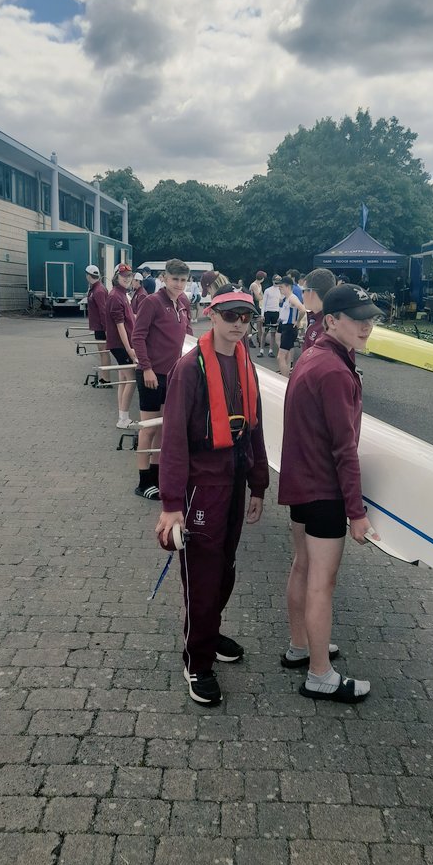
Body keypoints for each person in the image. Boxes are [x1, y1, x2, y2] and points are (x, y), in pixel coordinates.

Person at [156, 284, 269, 706]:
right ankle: (197, 661)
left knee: (225, 567)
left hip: (235, 478)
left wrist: (258, 483)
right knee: (201, 575)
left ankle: (209, 630)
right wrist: (170, 505)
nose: (239, 324)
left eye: (246, 317)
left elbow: (255, 428)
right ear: (210, 314)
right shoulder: (189, 369)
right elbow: (172, 441)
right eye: (231, 315)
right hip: (201, 484)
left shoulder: (247, 364)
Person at [278, 284, 382, 703]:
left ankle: (301, 646)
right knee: (323, 580)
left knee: (302, 567)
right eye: (358, 319)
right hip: (323, 488)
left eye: (370, 318)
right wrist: (356, 513)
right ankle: (320, 674)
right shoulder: (335, 371)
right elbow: (344, 450)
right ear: (332, 320)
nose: (367, 326)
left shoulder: (315, 355)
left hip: (301, 482)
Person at [132, 258, 192, 501]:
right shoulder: (152, 302)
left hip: (172, 374)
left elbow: (185, 338)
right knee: (149, 428)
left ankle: (158, 478)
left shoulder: (183, 303)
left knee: (165, 429)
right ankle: (143, 481)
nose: (178, 284)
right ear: (164, 278)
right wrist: (146, 368)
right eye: (174, 279)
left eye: (183, 280)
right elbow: (138, 337)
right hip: (151, 374)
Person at [105, 263, 137, 428]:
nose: (127, 278)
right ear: (117, 276)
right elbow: (120, 326)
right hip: (120, 345)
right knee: (131, 379)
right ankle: (123, 419)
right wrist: (129, 349)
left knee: (123, 379)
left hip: (120, 344)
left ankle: (122, 416)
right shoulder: (115, 296)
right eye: (124, 276)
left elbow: (128, 320)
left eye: (129, 276)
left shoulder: (121, 294)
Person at [85, 264, 112, 387]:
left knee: (104, 351)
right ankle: (103, 377)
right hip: (98, 326)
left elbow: (103, 311)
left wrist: (106, 329)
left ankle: (106, 379)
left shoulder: (99, 290)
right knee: (102, 352)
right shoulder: (95, 288)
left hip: (101, 327)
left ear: (88, 276)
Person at [301, 268, 336, 353]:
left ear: (311, 292)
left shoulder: (327, 326)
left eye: (303, 291)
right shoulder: (326, 319)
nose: (302, 295)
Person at [276, 276, 305, 377]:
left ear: (288, 286)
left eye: (282, 287)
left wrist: (298, 321)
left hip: (289, 328)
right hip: (285, 326)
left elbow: (302, 309)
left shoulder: (292, 298)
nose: (280, 289)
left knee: (281, 357)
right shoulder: (286, 298)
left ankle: (283, 379)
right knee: (286, 355)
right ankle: (286, 375)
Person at [259, 274, 282, 357]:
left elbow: (281, 305)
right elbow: (263, 303)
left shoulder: (281, 291)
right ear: (273, 280)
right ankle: (261, 350)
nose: (277, 282)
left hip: (276, 312)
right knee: (265, 332)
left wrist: (280, 316)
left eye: (279, 280)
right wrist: (262, 315)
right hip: (268, 312)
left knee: (273, 333)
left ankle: (270, 350)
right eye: (276, 280)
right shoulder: (268, 290)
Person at [249, 270, 266, 347]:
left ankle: (260, 339)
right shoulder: (254, 285)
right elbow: (257, 297)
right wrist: (263, 298)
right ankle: (249, 339)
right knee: (251, 323)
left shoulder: (259, 285)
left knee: (259, 323)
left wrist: (262, 297)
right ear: (262, 278)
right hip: (253, 305)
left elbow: (261, 295)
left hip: (258, 305)